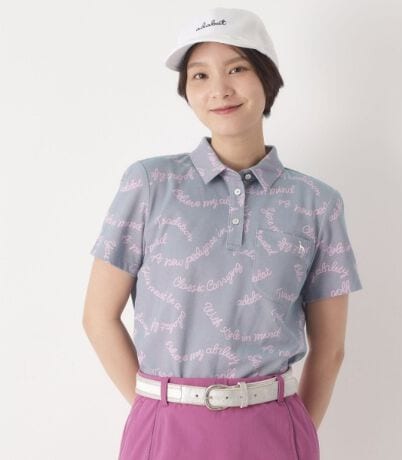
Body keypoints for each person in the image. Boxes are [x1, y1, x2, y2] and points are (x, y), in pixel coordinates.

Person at [82, 7, 363, 460]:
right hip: (164, 428)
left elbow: (330, 349)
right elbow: (98, 317)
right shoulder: (150, 184)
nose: (219, 90)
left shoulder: (316, 203)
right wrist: (156, 408)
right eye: (200, 75)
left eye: (237, 68)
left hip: (273, 430)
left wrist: (293, 431)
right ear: (187, 90)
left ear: (266, 77)